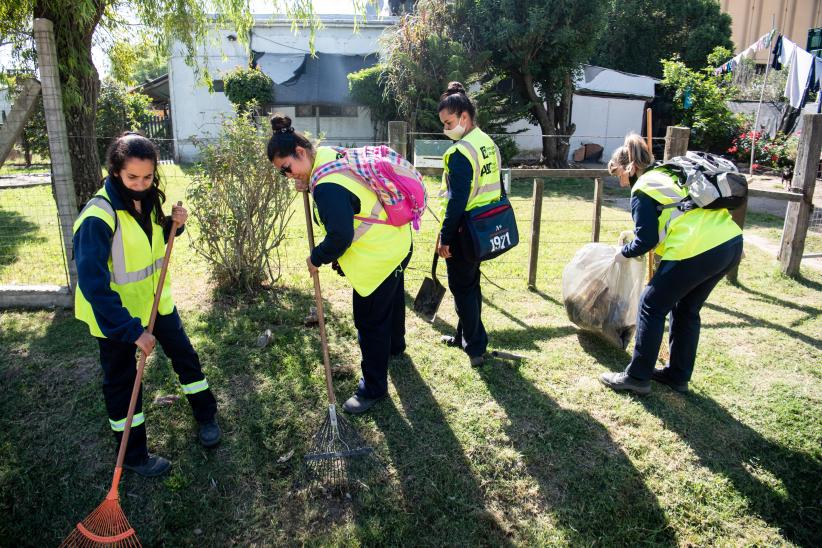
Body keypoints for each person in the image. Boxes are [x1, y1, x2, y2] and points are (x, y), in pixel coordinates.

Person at [73, 132, 220, 477]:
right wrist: (131, 331)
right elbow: (94, 284)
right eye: (132, 178)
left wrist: (174, 225)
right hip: (115, 318)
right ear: (114, 172)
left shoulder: (149, 198)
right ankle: (135, 455)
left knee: (185, 357)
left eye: (148, 177)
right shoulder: (97, 217)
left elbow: (153, 238)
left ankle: (206, 416)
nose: (141, 185)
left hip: (157, 303)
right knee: (123, 383)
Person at [266, 115, 412, 414]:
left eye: (287, 169)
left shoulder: (326, 186)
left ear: (300, 152)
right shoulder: (330, 156)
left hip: (378, 258)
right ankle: (395, 347)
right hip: (397, 240)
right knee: (393, 300)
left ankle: (373, 388)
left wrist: (315, 257)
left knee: (369, 322)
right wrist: (306, 182)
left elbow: (340, 236)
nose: (288, 176)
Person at [599, 134, 743, 395]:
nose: (619, 180)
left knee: (650, 305)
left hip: (696, 250)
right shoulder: (668, 174)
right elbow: (675, 217)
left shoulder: (643, 188)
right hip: (729, 243)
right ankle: (677, 375)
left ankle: (637, 377)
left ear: (629, 167)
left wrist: (624, 253)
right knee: (686, 308)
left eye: (618, 173)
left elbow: (647, 240)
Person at [436, 82, 502, 367]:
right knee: (470, 285)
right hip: (483, 227)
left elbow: (457, 201)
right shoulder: (487, 142)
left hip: (464, 230)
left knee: (462, 288)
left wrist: (444, 237)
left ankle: (476, 346)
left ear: (464, 117)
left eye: (449, 122)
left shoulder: (460, 152)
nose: (446, 129)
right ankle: (464, 337)